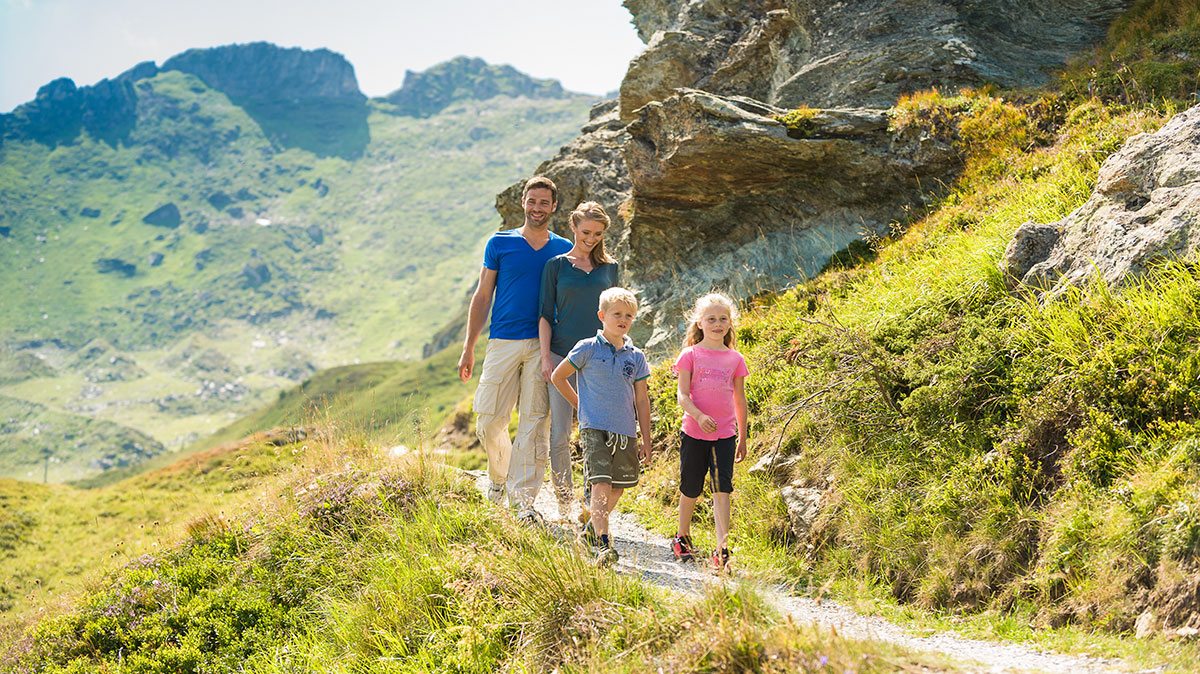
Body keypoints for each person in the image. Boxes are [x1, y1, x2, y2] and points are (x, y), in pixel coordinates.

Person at [458, 176, 572, 517]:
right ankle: (499, 476)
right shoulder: (499, 243)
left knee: (535, 423)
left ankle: (523, 504)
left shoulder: (564, 248)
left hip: (544, 345)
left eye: (544, 203)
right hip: (503, 341)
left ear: (553, 207)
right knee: (489, 419)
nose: (537, 208)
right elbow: (482, 297)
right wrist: (469, 347)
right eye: (532, 201)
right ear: (523, 203)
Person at [550, 287, 652, 565]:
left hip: (626, 431)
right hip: (594, 427)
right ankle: (604, 543)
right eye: (617, 314)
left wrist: (646, 439)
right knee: (601, 482)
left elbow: (642, 400)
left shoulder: (636, 357)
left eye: (629, 315)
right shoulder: (587, 348)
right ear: (602, 315)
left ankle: (591, 531)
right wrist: (579, 406)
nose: (623, 319)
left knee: (619, 486)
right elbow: (558, 377)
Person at [538, 201, 620, 520]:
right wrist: (546, 358)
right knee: (560, 433)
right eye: (586, 232)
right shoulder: (556, 265)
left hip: (598, 361)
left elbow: (616, 316)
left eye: (598, 234)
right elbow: (545, 314)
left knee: (596, 432)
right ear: (573, 227)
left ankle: (590, 505)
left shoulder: (609, 269)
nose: (591, 238)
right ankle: (564, 503)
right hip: (562, 357)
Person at [671, 292, 749, 571]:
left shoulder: (735, 359)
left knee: (722, 489)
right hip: (693, 432)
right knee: (690, 486)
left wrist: (742, 435)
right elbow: (682, 395)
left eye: (723, 319)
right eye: (711, 319)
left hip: (725, 435)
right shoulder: (690, 355)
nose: (718, 323)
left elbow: (739, 400)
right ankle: (682, 536)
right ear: (700, 323)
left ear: (730, 323)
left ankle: (721, 549)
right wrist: (699, 416)